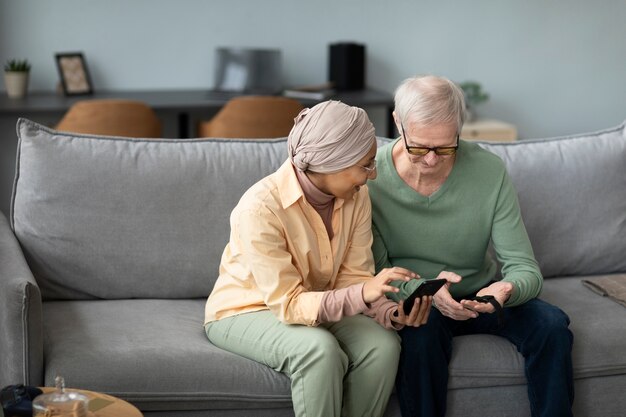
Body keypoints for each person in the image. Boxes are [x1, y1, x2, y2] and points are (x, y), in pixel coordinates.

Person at [204, 100, 433, 417]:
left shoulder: (357, 197)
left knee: (384, 346)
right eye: (365, 165)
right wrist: (362, 293)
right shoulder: (260, 208)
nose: (374, 174)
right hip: (246, 311)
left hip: (319, 301)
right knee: (320, 351)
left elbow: (353, 278)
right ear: (331, 163)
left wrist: (391, 311)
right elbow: (289, 304)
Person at [368, 75, 574, 417]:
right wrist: (426, 291)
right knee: (420, 336)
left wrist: (505, 289)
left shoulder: (488, 171)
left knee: (552, 327)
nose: (432, 159)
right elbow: (375, 275)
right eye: (419, 147)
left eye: (446, 147)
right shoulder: (371, 178)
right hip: (418, 298)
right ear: (397, 123)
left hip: (482, 296)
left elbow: (525, 269)